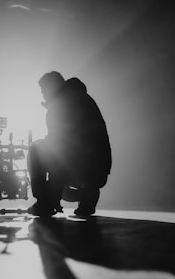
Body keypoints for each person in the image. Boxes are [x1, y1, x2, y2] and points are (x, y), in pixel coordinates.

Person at [27, 71, 112, 217]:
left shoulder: (63, 105)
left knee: (36, 148)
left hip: (79, 166)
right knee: (54, 155)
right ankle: (87, 195)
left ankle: (45, 202)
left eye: (43, 90)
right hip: (97, 171)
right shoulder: (81, 98)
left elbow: (61, 146)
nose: (42, 94)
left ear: (52, 87)